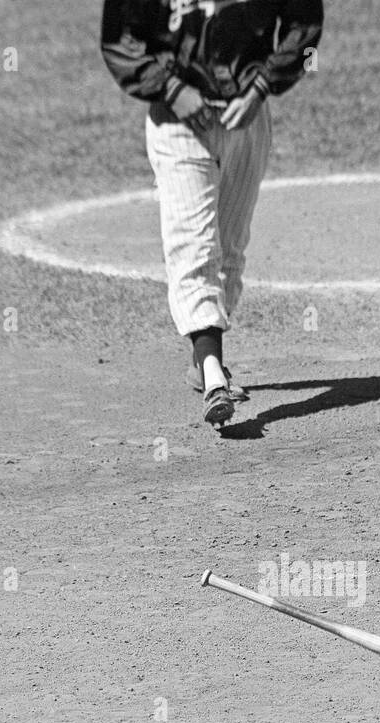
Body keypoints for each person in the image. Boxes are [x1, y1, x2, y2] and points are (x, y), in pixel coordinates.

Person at [101, 0, 323, 430]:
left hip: (247, 120)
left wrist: (261, 87)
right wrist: (170, 89)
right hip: (177, 124)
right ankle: (213, 376)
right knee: (194, 247)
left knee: (231, 249)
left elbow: (303, 21)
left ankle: (202, 354)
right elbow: (120, 40)